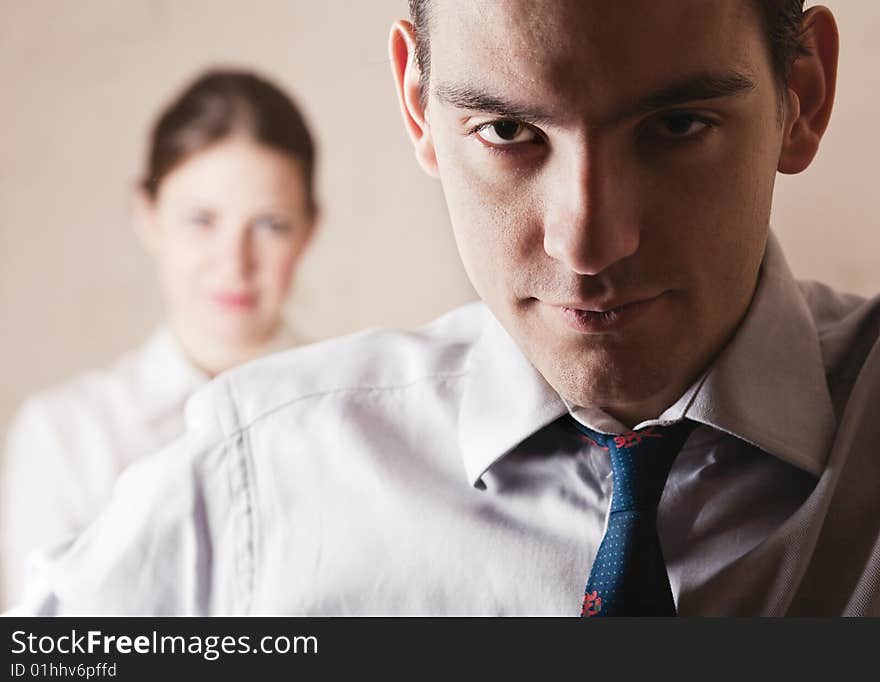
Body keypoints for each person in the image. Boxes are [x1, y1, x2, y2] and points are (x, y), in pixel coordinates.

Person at [12, 0, 880, 616]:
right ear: (416, 104)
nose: (587, 245)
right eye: (507, 133)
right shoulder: (255, 480)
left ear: (802, 97)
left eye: (678, 125)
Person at [1, 69, 318, 609]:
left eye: (270, 224)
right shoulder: (66, 435)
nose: (234, 263)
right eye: (202, 220)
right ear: (147, 217)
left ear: (309, 228)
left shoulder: (354, 419)